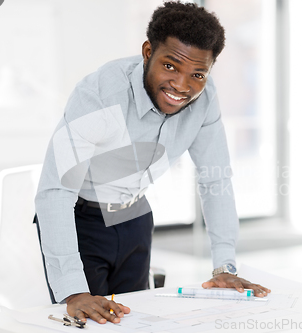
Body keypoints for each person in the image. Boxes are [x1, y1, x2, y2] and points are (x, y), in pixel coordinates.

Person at [35, 1, 270, 325]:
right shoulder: (100, 94)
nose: (182, 86)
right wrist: (74, 291)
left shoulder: (205, 100)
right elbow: (55, 192)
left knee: (134, 322)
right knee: (89, 322)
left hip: (135, 216)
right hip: (82, 220)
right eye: (171, 66)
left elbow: (215, 180)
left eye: (198, 73)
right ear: (148, 52)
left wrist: (224, 267)